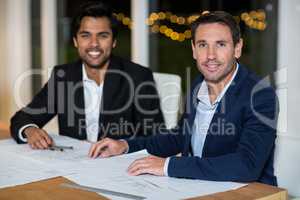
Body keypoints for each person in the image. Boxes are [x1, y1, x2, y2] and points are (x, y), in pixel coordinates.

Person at [88, 11, 279, 185]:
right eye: (203, 45)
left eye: (221, 44)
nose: (210, 55)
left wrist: (168, 166)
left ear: (237, 48)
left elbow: (247, 165)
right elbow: (178, 137)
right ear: (194, 50)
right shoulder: (199, 84)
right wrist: (125, 145)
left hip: (250, 192)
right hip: (201, 187)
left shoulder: (260, 95)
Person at [10, 1, 164, 149]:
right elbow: (22, 118)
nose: (94, 43)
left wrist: (124, 146)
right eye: (86, 35)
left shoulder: (139, 76)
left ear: (114, 41)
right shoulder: (63, 77)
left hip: (121, 167)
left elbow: (156, 136)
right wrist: (30, 130)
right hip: (72, 167)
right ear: (76, 41)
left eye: (103, 36)